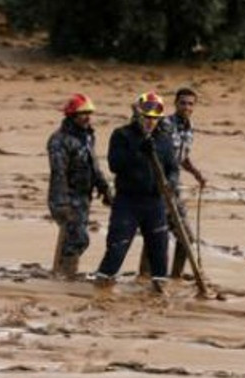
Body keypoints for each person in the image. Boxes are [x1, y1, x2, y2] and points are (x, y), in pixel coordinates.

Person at [94, 91, 179, 291]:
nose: (150, 122)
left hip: (154, 201)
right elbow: (115, 164)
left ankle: (159, 288)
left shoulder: (165, 140)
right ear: (138, 116)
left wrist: (170, 183)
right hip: (128, 200)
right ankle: (103, 285)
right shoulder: (122, 135)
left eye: (154, 119)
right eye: (146, 118)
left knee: (159, 248)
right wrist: (139, 148)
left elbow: (173, 168)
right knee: (117, 245)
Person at [46, 93, 112, 278]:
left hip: (84, 195)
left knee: (74, 238)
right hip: (68, 196)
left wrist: (104, 187)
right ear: (71, 115)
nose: (87, 117)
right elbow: (58, 173)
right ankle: (65, 275)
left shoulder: (87, 136)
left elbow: (94, 164)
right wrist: (62, 203)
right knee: (77, 238)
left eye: (89, 113)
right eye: (83, 114)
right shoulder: (59, 140)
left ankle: (63, 272)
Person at [146, 87, 207, 278]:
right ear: (176, 104)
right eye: (183, 103)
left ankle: (175, 276)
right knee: (155, 234)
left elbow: (182, 158)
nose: (186, 107)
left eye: (190, 104)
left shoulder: (189, 128)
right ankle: (145, 277)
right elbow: (152, 154)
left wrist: (196, 173)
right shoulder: (164, 125)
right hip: (156, 188)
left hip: (174, 188)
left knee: (186, 237)